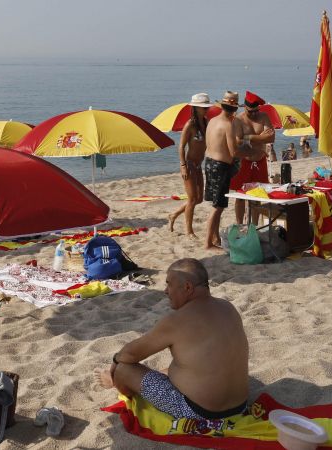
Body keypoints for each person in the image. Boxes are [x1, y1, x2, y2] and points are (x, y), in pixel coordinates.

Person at [94, 258, 249, 420]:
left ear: (188, 287)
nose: (166, 291)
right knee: (183, 364)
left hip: (200, 412)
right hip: (240, 406)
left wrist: (114, 364)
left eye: (169, 284)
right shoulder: (227, 307)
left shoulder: (178, 320)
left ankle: (113, 381)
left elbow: (130, 355)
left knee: (123, 369)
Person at [203, 91, 257, 251]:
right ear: (233, 110)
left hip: (209, 162)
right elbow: (234, 152)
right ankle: (208, 243)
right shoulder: (228, 125)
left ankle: (215, 237)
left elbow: (210, 143)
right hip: (220, 166)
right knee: (217, 207)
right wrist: (250, 152)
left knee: (216, 204)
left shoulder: (212, 121)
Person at [168, 93, 213, 239]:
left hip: (199, 165)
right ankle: (189, 231)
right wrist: (182, 165)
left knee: (199, 199)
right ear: (195, 108)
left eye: (206, 107)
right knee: (193, 199)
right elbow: (181, 146)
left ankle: (174, 214)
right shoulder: (190, 125)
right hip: (189, 164)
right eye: (202, 107)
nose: (206, 110)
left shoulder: (206, 123)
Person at [229, 91, 275, 225]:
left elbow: (271, 137)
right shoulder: (238, 119)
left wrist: (248, 137)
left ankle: (254, 226)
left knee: (257, 196)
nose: (254, 114)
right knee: (240, 196)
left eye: (256, 111)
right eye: (251, 112)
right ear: (245, 107)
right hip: (244, 162)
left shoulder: (264, 117)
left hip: (260, 161)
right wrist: (260, 137)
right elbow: (237, 141)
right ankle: (239, 224)